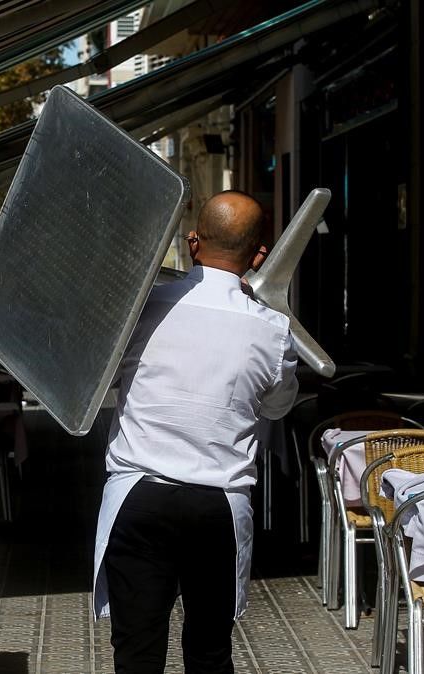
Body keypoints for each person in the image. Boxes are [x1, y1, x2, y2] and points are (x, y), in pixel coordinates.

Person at [93, 190, 296, 674]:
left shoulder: (143, 308)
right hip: (219, 504)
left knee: (137, 655)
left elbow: (98, 379)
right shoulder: (272, 330)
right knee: (209, 653)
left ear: (192, 243)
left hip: (138, 496)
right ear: (258, 256)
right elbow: (278, 405)